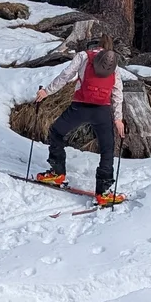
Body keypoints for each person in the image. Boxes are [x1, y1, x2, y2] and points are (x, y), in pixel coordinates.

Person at [33, 42, 126, 204]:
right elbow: (117, 91)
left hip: (80, 107)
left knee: (56, 132)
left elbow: (66, 75)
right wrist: (118, 119)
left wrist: (46, 91)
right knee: (107, 148)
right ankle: (103, 192)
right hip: (102, 111)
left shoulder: (83, 56)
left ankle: (57, 173)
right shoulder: (113, 64)